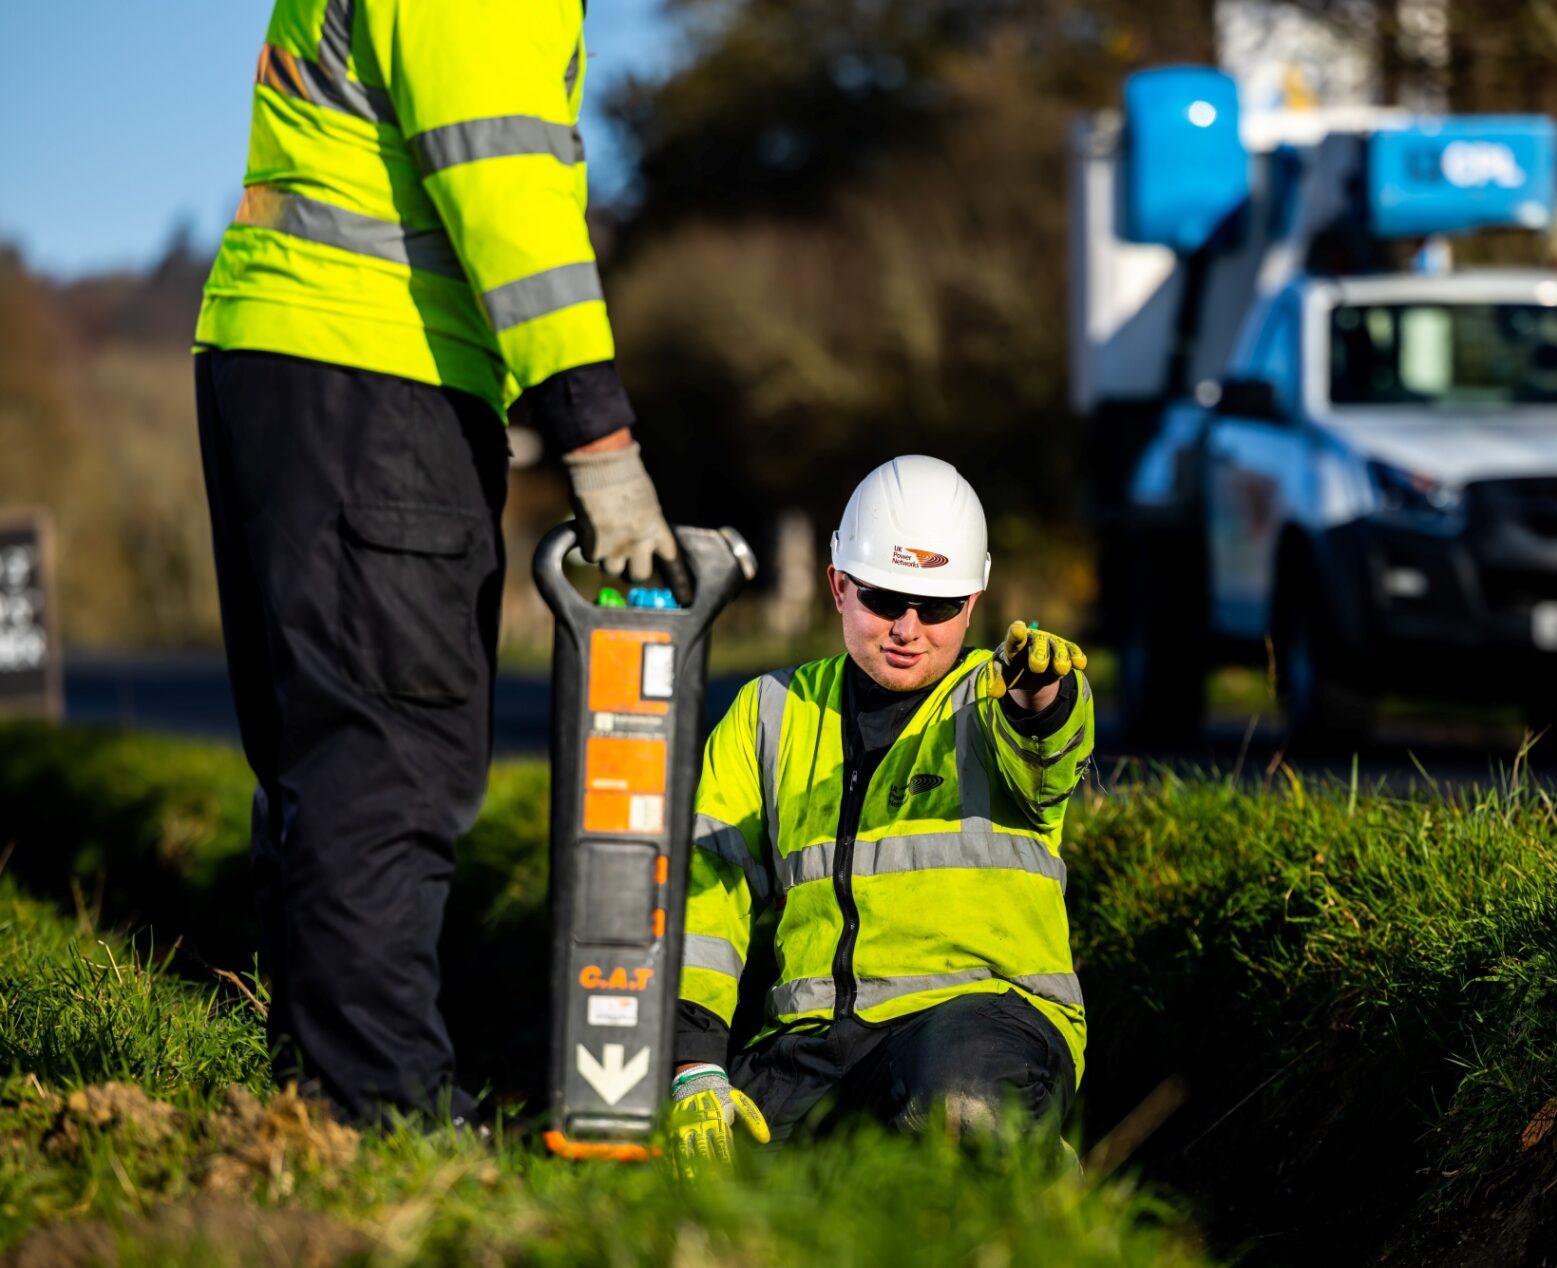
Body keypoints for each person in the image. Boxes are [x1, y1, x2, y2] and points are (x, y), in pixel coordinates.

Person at [192, 0, 675, 1126]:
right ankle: (382, 1115)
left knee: (327, 760)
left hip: (287, 366)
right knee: (386, 764)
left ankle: (319, 1097)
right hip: (377, 375)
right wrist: (599, 439)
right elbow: (505, 186)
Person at [667, 455, 1092, 1171]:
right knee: (699, 1177)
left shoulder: (995, 701)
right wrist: (694, 1064)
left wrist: (1043, 701)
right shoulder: (767, 715)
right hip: (812, 1046)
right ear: (838, 585)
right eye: (885, 599)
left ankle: (1041, 1190)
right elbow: (704, 896)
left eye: (937, 607)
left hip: (980, 1020)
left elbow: (1047, 749)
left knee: (957, 1107)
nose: (907, 627)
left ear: (974, 598)